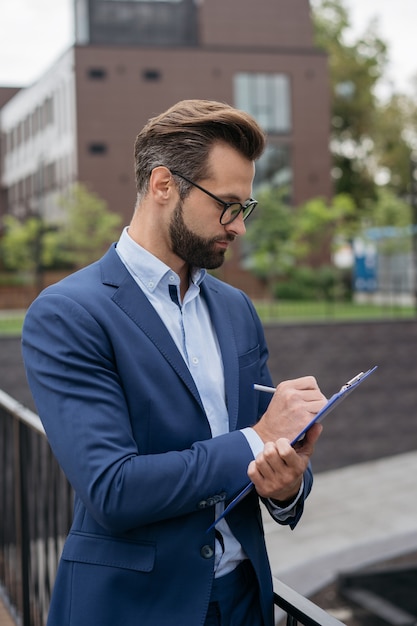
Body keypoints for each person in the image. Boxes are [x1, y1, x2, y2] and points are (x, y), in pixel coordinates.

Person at [22, 99, 326, 626]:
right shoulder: (68, 313)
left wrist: (287, 483)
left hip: (244, 603)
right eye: (227, 205)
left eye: (245, 208)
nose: (239, 227)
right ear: (164, 186)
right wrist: (256, 439)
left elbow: (264, 446)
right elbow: (113, 489)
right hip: (133, 608)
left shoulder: (236, 309)